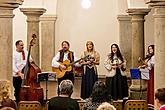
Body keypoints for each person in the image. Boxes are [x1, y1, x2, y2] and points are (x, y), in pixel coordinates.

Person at [13, 40, 32, 104]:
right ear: (17, 46)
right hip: (17, 76)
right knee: (18, 91)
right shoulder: (13, 54)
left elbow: (30, 60)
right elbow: (13, 65)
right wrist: (19, 73)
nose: (23, 46)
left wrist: (31, 60)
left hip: (26, 74)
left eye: (23, 45)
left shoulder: (26, 52)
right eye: (21, 45)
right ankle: (19, 103)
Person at [138, 45, 155, 109]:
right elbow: (148, 66)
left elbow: (151, 66)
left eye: (151, 49)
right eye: (149, 49)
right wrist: (142, 67)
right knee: (150, 87)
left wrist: (142, 61)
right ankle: (150, 104)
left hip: (153, 73)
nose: (150, 50)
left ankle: (153, 103)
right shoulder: (150, 57)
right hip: (150, 73)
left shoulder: (154, 57)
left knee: (152, 87)